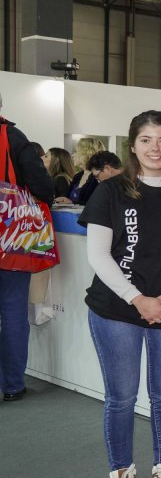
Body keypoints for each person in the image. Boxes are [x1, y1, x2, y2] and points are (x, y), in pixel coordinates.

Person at [81, 111, 161, 478]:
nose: (156, 148)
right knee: (121, 398)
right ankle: (121, 468)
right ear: (132, 145)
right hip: (115, 310)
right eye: (147, 140)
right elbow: (98, 255)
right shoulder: (110, 191)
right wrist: (137, 298)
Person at [0, 94, 54, 403]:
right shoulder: (12, 136)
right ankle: (11, 385)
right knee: (12, 312)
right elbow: (43, 188)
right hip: (11, 240)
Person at [68, 136, 107, 204]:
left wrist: (72, 203)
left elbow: (95, 203)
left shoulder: (97, 177)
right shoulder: (77, 176)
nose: (73, 155)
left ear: (87, 154)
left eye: (76, 151)